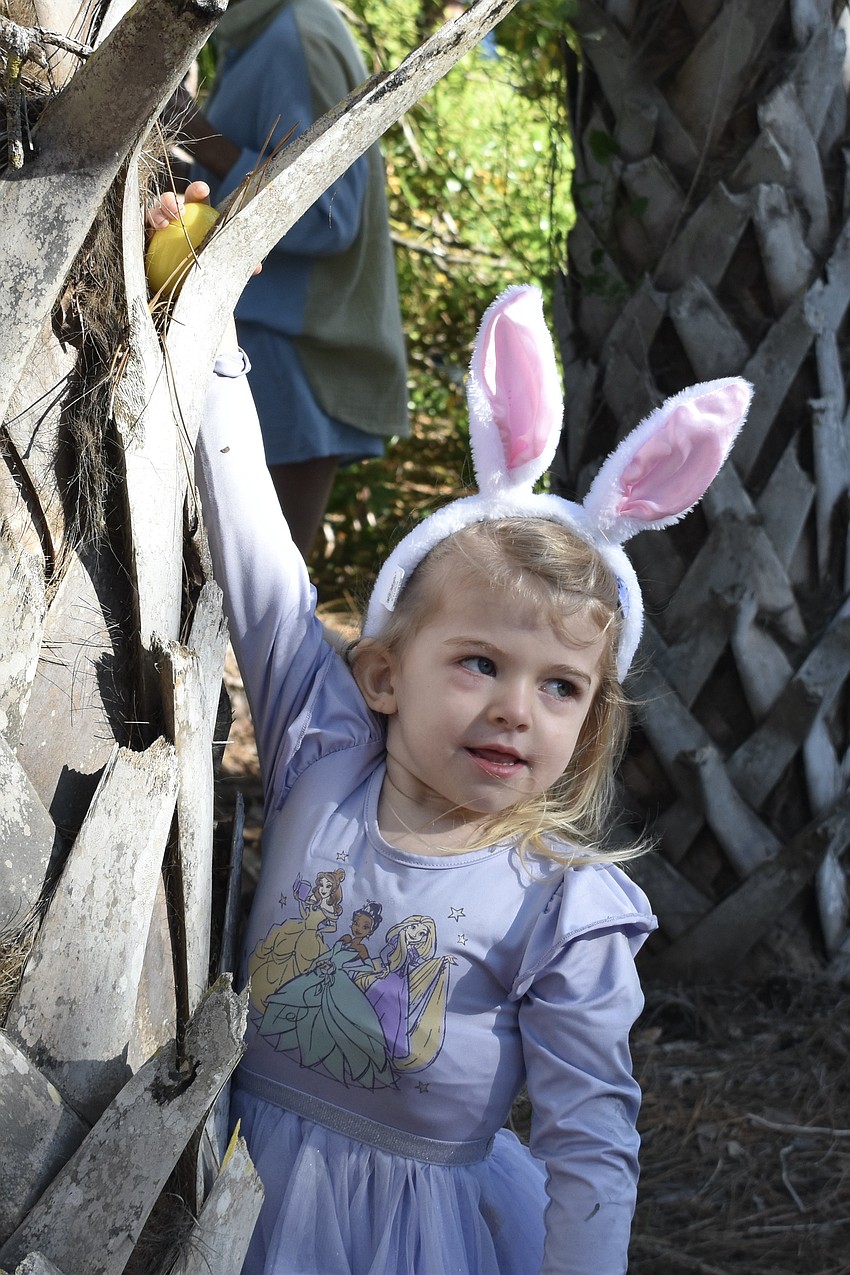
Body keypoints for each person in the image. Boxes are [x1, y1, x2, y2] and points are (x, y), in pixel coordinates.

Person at [190, 231, 753, 1272]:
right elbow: (263, 569)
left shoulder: (559, 903)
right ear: (384, 677)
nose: (513, 709)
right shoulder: (326, 761)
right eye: (478, 663)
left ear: (588, 719)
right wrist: (211, 329)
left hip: (417, 1235)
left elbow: (591, 1141)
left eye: (558, 687)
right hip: (235, 1189)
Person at [175, 0, 408, 556]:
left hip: (293, 360)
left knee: (251, 627)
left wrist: (194, 131)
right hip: (258, 349)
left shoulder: (297, 34)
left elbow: (327, 214)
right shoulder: (251, 32)